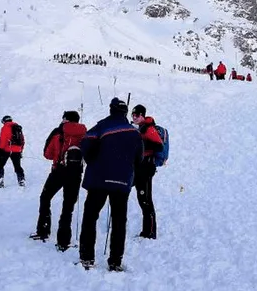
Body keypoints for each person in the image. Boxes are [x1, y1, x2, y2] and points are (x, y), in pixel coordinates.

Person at [78, 98, 143, 271]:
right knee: (119, 221)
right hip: (122, 181)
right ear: (125, 112)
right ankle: (115, 261)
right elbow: (139, 159)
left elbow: (85, 143)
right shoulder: (135, 133)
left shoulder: (102, 127)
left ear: (111, 110)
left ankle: (87, 257)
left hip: (98, 179)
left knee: (90, 217)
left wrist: (92, 161)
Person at [30, 111, 87, 251]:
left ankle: (43, 230)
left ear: (65, 119)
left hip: (59, 171)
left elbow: (47, 154)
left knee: (45, 197)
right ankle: (63, 241)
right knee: (68, 207)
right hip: (75, 174)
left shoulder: (58, 132)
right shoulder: (84, 133)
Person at [131, 104, 163, 240]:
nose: (134, 117)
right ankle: (147, 231)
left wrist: (141, 144)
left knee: (145, 199)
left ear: (142, 115)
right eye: (133, 115)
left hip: (146, 167)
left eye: (137, 115)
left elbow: (159, 145)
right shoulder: (139, 129)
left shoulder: (149, 129)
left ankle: (150, 232)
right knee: (141, 198)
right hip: (139, 167)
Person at [0, 115, 25, 188]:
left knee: (0, 165)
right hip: (17, 150)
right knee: (17, 166)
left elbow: (2, 140)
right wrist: (21, 150)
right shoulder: (18, 127)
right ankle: (21, 180)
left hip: (6, 149)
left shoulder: (5, 127)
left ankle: (0, 182)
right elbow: (22, 140)